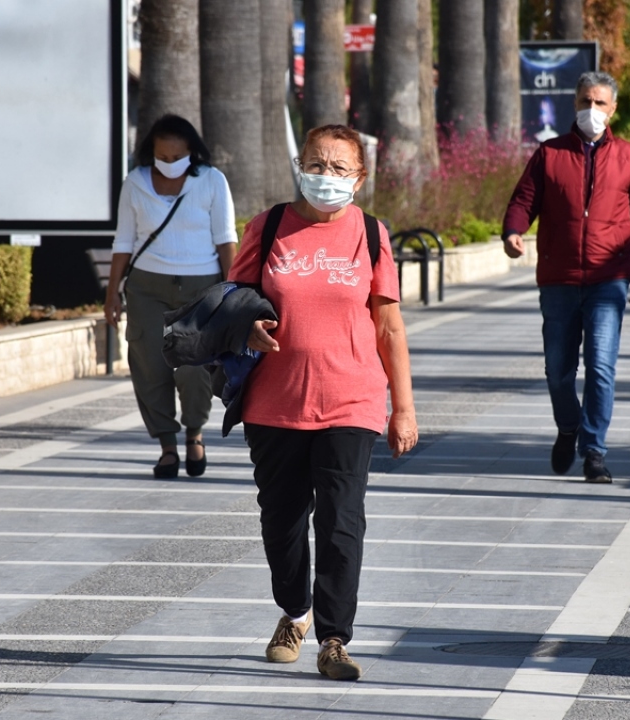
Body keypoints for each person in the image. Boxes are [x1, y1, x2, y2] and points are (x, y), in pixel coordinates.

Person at [227, 124, 417, 681]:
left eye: (338, 168)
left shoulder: (372, 234)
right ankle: (295, 612)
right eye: (315, 164)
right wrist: (246, 327)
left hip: (351, 400)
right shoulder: (267, 228)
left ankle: (334, 639)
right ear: (299, 166)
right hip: (274, 403)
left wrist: (403, 408)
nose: (325, 176)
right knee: (282, 524)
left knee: (341, 522)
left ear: (359, 178)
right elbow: (232, 304)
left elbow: (389, 327)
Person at [501, 71, 630, 484]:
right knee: (558, 370)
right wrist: (513, 231)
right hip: (559, 277)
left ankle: (593, 451)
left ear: (613, 109)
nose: (592, 109)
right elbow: (524, 200)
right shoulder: (550, 153)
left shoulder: (628, 157)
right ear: (575, 103)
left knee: (601, 367)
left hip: (609, 278)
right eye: (586, 101)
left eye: (600, 103)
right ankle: (568, 425)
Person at [104, 115, 237, 479]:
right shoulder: (135, 183)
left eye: (177, 156)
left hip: (200, 288)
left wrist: (234, 292)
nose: (169, 162)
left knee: (194, 367)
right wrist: (112, 292)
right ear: (151, 152)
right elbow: (123, 240)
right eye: (162, 156)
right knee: (150, 366)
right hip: (146, 287)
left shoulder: (211, 180)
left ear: (192, 151)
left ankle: (194, 433)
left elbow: (226, 239)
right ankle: (166, 445)